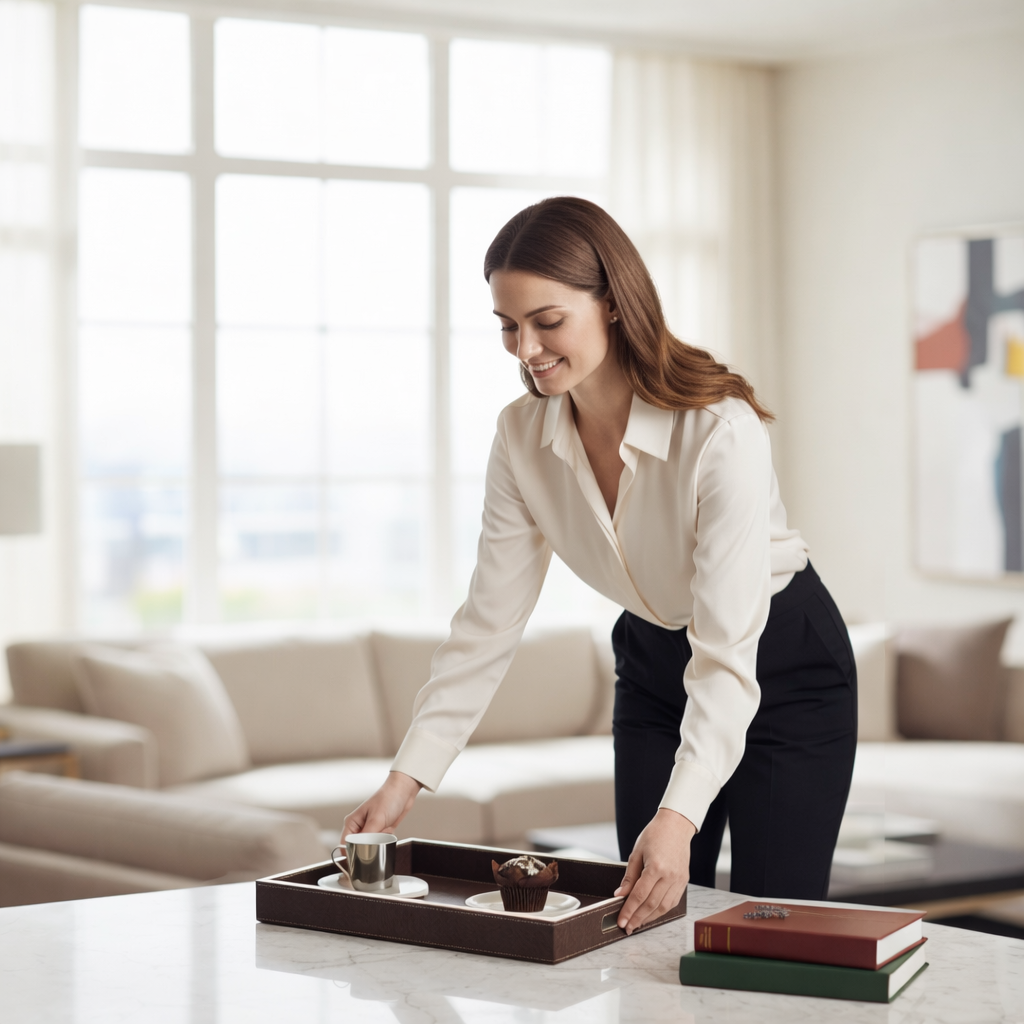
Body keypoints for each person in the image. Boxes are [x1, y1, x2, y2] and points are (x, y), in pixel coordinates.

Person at [344, 196, 857, 934]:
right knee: (643, 921)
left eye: (547, 321)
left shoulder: (719, 429)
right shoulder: (520, 436)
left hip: (781, 663)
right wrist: (405, 781)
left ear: (612, 302)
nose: (526, 348)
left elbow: (726, 651)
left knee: (769, 930)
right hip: (652, 660)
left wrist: (679, 817)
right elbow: (489, 621)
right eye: (507, 326)